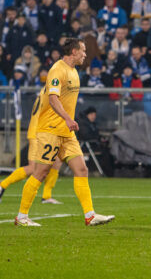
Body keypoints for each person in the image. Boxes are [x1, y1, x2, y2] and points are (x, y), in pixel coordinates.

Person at [14, 38, 114, 227]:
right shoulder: (57, 70)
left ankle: (90, 215)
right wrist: (68, 119)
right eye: (83, 50)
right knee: (40, 172)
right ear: (74, 52)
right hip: (51, 130)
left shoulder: (74, 72)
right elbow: (53, 98)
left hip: (66, 132)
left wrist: (68, 122)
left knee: (81, 169)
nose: (85, 54)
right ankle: (21, 216)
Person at [0, 91, 63, 204]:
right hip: (38, 133)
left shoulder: (46, 91)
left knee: (56, 161)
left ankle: (46, 196)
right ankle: (2, 185)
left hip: (42, 132)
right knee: (33, 168)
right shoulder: (52, 91)